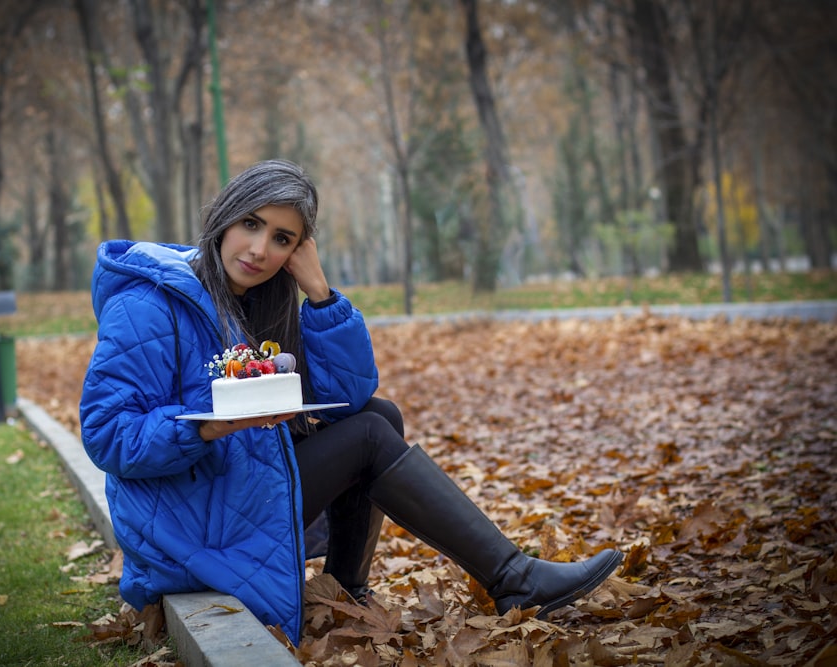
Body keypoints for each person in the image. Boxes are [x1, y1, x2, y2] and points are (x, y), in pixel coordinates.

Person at [79, 159, 622, 644]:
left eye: (282, 239)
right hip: (184, 522)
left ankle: (348, 589)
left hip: (226, 493)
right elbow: (107, 434)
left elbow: (350, 395)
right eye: (251, 224)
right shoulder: (149, 305)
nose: (259, 249)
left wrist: (319, 294)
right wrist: (206, 428)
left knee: (379, 416)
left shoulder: (259, 304)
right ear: (225, 216)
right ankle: (514, 578)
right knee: (368, 437)